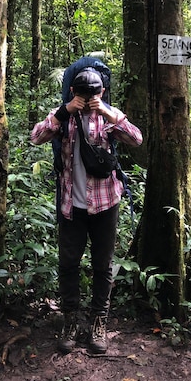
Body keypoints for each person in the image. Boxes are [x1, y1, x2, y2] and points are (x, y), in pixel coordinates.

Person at [30, 67, 142, 354]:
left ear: (101, 92)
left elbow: (137, 139)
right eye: (82, 93)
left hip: (105, 204)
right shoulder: (64, 116)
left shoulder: (107, 117)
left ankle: (98, 322)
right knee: (68, 265)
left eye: (92, 92)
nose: (87, 97)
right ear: (72, 92)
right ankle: (70, 320)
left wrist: (107, 113)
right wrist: (64, 111)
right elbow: (37, 136)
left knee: (102, 267)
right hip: (71, 205)